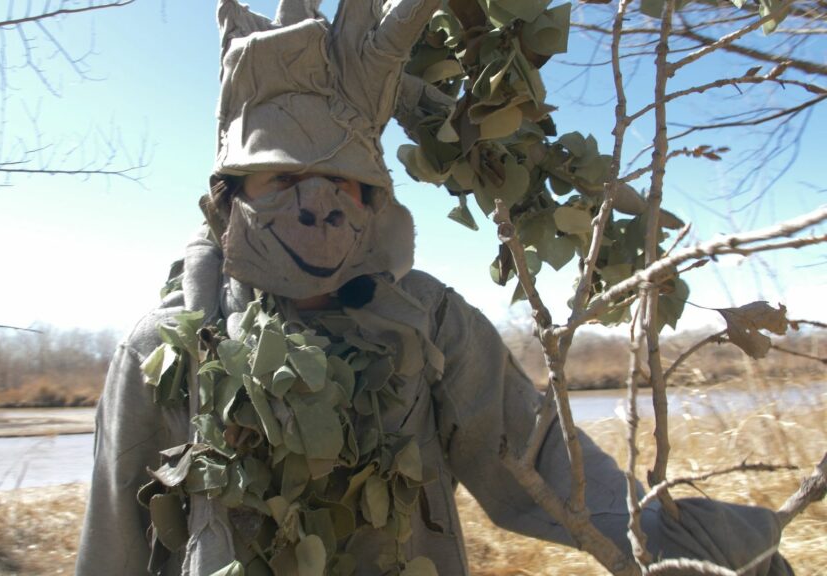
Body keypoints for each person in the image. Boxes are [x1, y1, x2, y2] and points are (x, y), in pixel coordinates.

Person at [76, 1, 792, 574]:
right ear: (231, 196)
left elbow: (544, 465)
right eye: (284, 178)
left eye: (346, 187)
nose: (318, 206)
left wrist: (720, 550)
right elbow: (114, 540)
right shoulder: (163, 348)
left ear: (374, 203)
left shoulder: (429, 322)